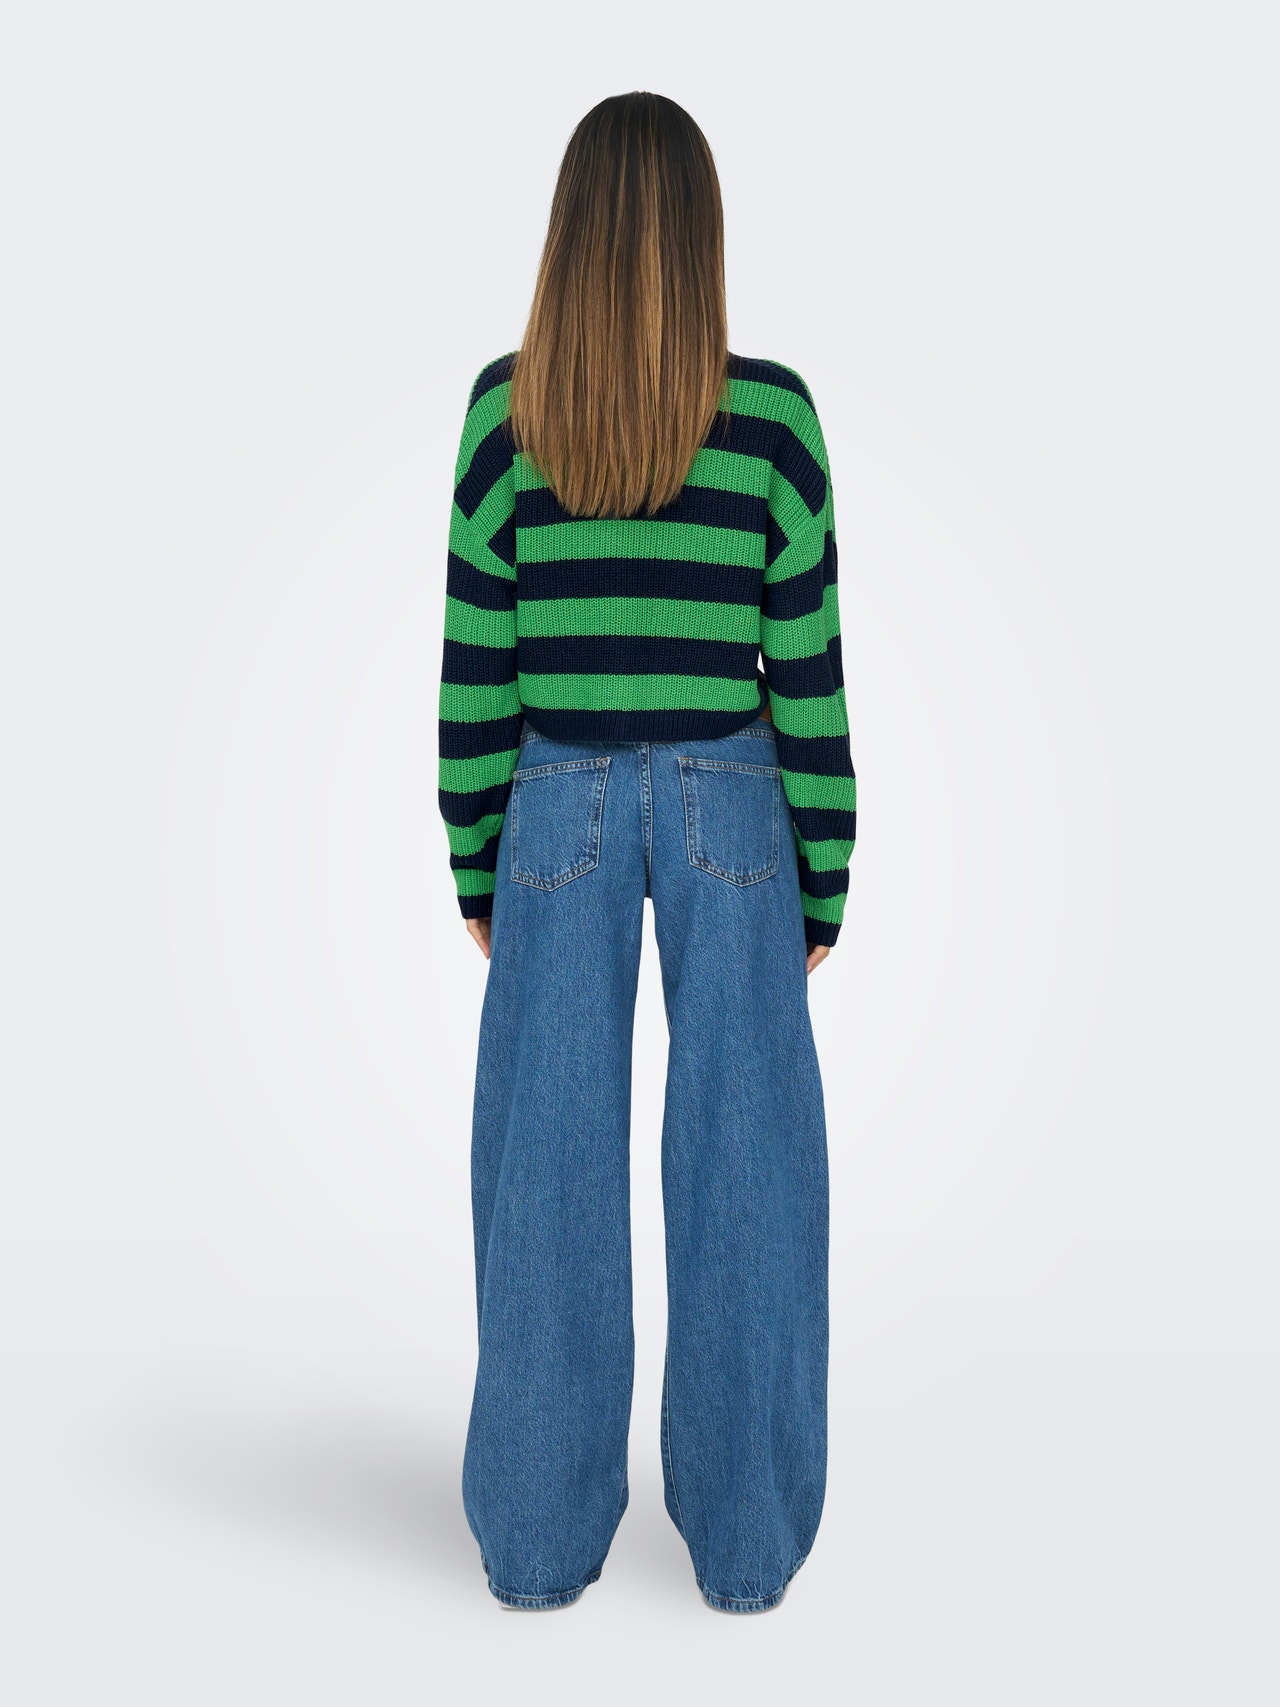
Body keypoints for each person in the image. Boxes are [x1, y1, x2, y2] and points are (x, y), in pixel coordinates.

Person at [436, 91, 856, 1614]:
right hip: (736, 807)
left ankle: (536, 1543)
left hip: (555, 804)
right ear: (701, 239)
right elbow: (807, 672)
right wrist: (826, 867)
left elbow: (475, 665)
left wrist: (477, 855)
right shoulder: (775, 423)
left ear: (570, 237)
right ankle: (747, 1549)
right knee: (751, 1167)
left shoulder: (506, 416)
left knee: (542, 1171)